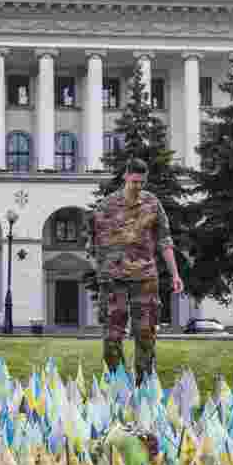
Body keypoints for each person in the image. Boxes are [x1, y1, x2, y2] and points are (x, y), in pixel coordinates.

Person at [85, 158, 184, 385]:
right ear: (126, 177)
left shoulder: (152, 203)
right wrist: (100, 267)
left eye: (142, 182)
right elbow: (92, 240)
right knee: (112, 335)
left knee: (146, 334)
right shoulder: (106, 205)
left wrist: (175, 274)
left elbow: (165, 240)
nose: (138, 186)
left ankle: (144, 387)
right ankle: (117, 384)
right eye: (134, 182)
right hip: (113, 279)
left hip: (145, 278)